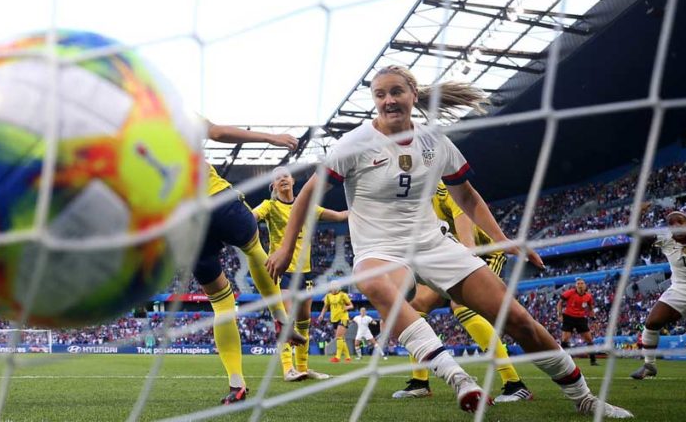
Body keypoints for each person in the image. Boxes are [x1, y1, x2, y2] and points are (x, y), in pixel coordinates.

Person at [265, 65, 632, 417]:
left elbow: (466, 195)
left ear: (413, 95)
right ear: (374, 101)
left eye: (396, 92)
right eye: (380, 95)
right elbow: (308, 195)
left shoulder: (434, 141)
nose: (388, 100)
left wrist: (502, 240)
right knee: (373, 282)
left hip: (433, 244)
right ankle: (457, 378)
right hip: (379, 249)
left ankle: (584, 399)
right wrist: (285, 247)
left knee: (518, 320)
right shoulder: (354, 143)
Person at [392, 182, 532, 402]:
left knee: (462, 305)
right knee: (415, 306)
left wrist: (467, 255)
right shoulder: (408, 198)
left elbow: (462, 213)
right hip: (444, 258)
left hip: (483, 251)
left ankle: (514, 384)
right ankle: (420, 382)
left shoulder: (438, 187)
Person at [197, 121, 306, 405]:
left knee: (220, 304)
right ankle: (280, 318)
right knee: (253, 246)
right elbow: (218, 133)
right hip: (217, 200)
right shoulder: (168, 105)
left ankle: (237, 384)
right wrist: (271, 138)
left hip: (185, 222)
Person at [252, 166, 347, 382]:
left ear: (293, 180)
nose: (283, 179)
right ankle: (288, 369)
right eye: (278, 178)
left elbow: (341, 216)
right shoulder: (270, 206)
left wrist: (362, 210)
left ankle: (303, 368)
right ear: (273, 186)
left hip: (305, 272)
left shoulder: (306, 207)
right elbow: (252, 216)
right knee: (287, 320)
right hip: (281, 271)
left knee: (304, 321)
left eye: (286, 175)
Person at [631, 210, 686, 379]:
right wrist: (637, 215)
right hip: (681, 288)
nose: (676, 228)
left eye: (680, 223)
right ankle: (649, 365)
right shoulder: (665, 238)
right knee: (652, 323)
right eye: (671, 225)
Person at [558, 278, 598, 366]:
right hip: (569, 317)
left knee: (589, 339)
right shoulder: (569, 293)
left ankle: (593, 360)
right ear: (575, 286)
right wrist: (560, 314)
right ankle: (564, 360)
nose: (580, 285)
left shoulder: (588, 296)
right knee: (565, 339)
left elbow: (591, 308)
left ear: (585, 285)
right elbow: (560, 303)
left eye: (582, 283)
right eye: (578, 283)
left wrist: (594, 320)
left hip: (581, 318)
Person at [318, 286, 353, 362]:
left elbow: (351, 305)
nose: (333, 289)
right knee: (341, 338)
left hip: (343, 317)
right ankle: (348, 357)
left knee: (338, 337)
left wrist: (347, 308)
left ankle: (337, 357)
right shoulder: (328, 296)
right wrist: (321, 315)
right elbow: (325, 307)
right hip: (334, 319)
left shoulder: (343, 295)